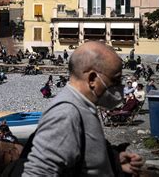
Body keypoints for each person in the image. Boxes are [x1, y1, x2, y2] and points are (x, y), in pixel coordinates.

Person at [23, 41, 144, 176]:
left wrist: (114, 162)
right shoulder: (66, 113)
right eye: (115, 80)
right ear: (92, 79)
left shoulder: (83, 106)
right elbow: (38, 173)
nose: (119, 86)